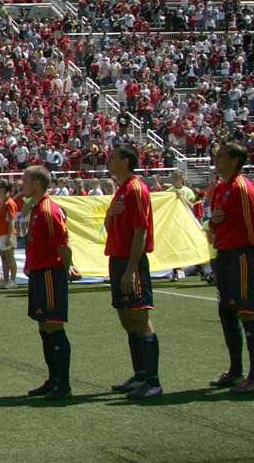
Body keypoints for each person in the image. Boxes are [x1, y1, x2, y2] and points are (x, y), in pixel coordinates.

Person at [206, 142, 254, 393]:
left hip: (242, 255)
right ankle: (236, 370)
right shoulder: (221, 188)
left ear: (234, 160)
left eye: (221, 155)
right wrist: (213, 222)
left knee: (247, 312)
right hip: (224, 255)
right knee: (226, 311)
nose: (216, 158)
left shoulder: (242, 187)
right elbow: (215, 224)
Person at [103, 144, 162, 399]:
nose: (109, 160)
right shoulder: (121, 190)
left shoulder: (136, 189)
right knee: (127, 319)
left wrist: (130, 270)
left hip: (131, 262)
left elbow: (141, 231)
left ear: (125, 161)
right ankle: (139, 376)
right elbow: (108, 224)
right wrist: (109, 214)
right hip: (117, 259)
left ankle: (153, 381)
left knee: (139, 318)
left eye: (113, 157)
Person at [20, 165, 73, 400]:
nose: (22, 185)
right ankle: (53, 380)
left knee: (53, 326)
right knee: (44, 326)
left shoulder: (49, 210)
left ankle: (63, 385)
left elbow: (63, 244)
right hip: (39, 274)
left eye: (25, 181)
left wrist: (65, 267)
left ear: (38, 184)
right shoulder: (37, 208)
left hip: (51, 274)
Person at [0, 181, 18, 288]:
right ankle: (6, 280)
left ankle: (13, 280)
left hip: (7, 233)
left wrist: (8, 236)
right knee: (3, 258)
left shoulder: (10, 202)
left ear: (3, 189)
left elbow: (11, 220)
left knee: (10, 257)